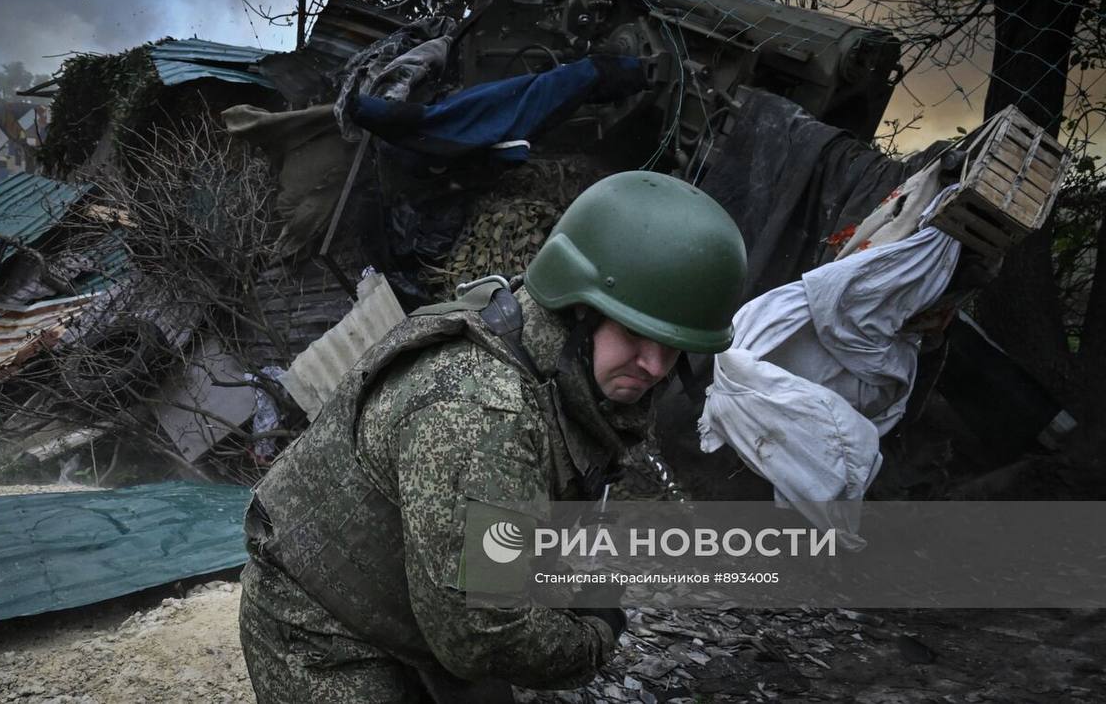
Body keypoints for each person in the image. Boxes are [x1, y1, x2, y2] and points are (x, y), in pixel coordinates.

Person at [239, 170, 747, 703]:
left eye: (673, 346)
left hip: (417, 613)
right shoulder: (481, 412)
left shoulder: (561, 371)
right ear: (578, 308)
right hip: (323, 630)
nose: (655, 366)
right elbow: (481, 635)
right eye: (636, 333)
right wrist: (592, 639)